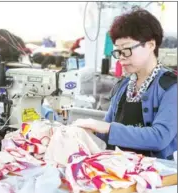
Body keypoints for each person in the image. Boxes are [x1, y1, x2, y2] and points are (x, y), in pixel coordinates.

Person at [74, 8, 177, 160]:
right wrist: (86, 132)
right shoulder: (123, 86)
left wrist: (107, 128)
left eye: (127, 50)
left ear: (150, 45)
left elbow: (159, 138)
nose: (121, 58)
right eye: (118, 52)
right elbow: (107, 131)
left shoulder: (170, 87)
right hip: (121, 169)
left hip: (157, 176)